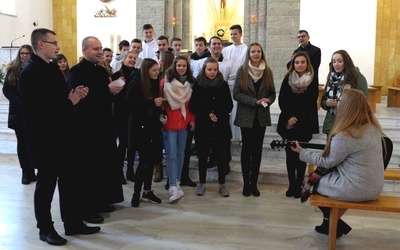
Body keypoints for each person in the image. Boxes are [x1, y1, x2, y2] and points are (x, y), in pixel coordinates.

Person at [18, 28, 99, 246]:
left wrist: (74, 95)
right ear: (41, 44)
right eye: (54, 42)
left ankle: (72, 222)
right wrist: (68, 101)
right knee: (46, 185)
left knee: (69, 182)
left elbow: (60, 99)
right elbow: (38, 111)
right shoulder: (30, 73)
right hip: (45, 140)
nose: (58, 46)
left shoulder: (52, 69)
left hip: (64, 136)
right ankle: (45, 228)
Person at [291, 88, 385, 238]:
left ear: (347, 107)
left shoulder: (345, 134)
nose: (337, 102)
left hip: (356, 188)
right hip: (375, 186)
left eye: (340, 100)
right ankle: (330, 224)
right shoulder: (372, 127)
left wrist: (301, 152)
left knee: (309, 182)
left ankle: (333, 225)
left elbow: (327, 162)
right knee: (320, 177)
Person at [68, 36, 124, 224]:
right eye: (95, 49)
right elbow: (82, 100)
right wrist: (107, 91)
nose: (100, 52)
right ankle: (88, 209)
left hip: (103, 126)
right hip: (87, 129)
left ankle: (101, 201)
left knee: (103, 166)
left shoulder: (100, 71)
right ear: (84, 51)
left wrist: (112, 92)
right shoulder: (76, 72)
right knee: (89, 170)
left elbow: (103, 98)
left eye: (100, 48)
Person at [233, 42, 276, 197]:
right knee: (247, 150)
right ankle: (246, 184)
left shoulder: (267, 72)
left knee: (257, 151)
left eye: (258, 51)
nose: (256, 54)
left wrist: (268, 100)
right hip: (246, 116)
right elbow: (236, 94)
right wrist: (254, 102)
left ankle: (254, 184)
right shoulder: (242, 71)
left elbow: (273, 93)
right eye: (253, 52)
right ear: (249, 54)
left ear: (261, 54)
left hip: (261, 117)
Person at [277, 51, 319, 198]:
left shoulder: (313, 79)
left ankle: (300, 184)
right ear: (293, 64)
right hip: (289, 122)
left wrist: (298, 117)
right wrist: (289, 117)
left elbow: (310, 101)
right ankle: (291, 185)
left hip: (304, 122)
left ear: (307, 63)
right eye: (297, 62)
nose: (299, 65)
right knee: (290, 155)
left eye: (302, 62)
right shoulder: (287, 78)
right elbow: (282, 99)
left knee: (301, 155)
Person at [190, 58, 233, 197]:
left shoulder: (223, 84)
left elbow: (229, 105)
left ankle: (222, 184)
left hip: (220, 125)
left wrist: (217, 114)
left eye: (215, 69)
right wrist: (208, 113)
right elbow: (194, 105)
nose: (212, 72)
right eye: (209, 69)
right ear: (204, 69)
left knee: (221, 156)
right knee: (203, 156)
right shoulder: (198, 84)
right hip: (203, 125)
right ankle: (202, 183)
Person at [126, 58, 163, 207]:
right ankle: (136, 193)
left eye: (157, 69)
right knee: (143, 162)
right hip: (139, 129)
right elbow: (129, 106)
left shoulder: (155, 84)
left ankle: (147, 191)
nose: (157, 72)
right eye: (154, 70)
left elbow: (155, 108)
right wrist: (151, 103)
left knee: (150, 161)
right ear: (146, 70)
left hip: (153, 128)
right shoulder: (135, 85)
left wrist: (161, 115)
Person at [162, 55, 196, 203]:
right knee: (171, 155)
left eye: (184, 66)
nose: (181, 68)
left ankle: (177, 182)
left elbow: (193, 105)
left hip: (184, 122)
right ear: (174, 66)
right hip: (169, 123)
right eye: (179, 65)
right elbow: (162, 105)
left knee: (181, 154)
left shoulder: (190, 83)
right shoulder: (165, 83)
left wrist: (193, 120)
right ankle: (171, 186)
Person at [2, 44, 37, 185]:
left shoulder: (35, 68)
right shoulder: (13, 69)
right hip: (18, 112)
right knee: (22, 143)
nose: (24, 56)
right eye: (22, 53)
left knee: (33, 143)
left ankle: (34, 171)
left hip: (34, 112)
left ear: (31, 54)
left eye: (27, 53)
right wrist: (18, 100)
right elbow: (6, 90)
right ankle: (26, 172)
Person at [321, 50, 368, 135]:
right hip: (332, 123)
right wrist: (327, 103)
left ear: (346, 62)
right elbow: (323, 101)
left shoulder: (358, 77)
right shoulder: (331, 78)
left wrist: (343, 104)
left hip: (350, 123)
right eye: (333, 61)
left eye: (339, 61)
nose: (336, 64)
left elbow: (363, 101)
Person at [111, 51, 139, 184]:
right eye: (130, 58)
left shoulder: (138, 74)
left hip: (134, 113)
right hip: (121, 113)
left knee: (132, 144)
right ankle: (119, 171)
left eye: (134, 58)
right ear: (124, 59)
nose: (132, 60)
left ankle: (130, 171)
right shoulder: (116, 75)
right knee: (122, 144)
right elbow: (112, 95)